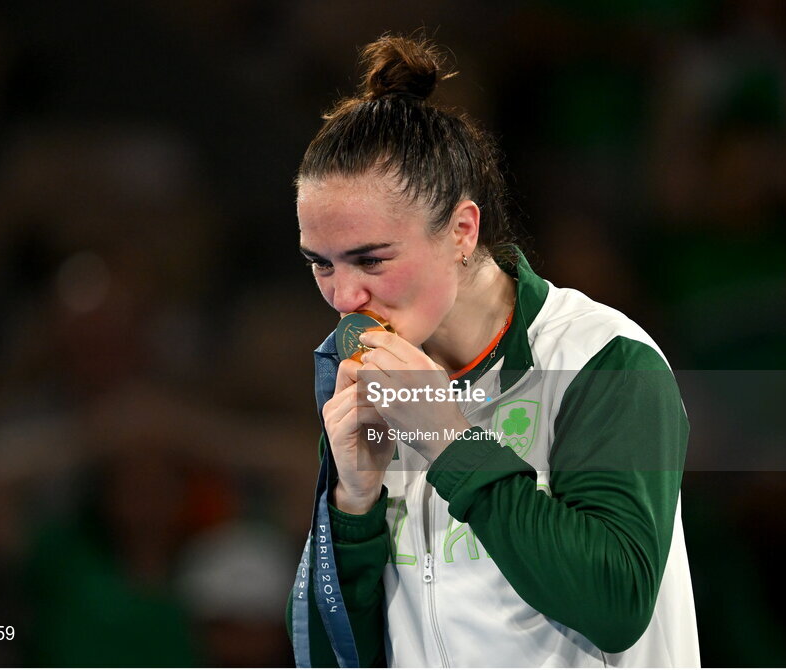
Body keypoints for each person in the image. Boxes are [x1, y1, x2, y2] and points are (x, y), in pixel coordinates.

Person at [287, 34, 699, 668]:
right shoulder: (364, 384)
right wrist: (353, 503)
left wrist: (452, 445)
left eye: (371, 259)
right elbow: (328, 657)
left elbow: (616, 602)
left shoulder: (605, 359)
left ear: (461, 230)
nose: (345, 297)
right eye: (321, 265)